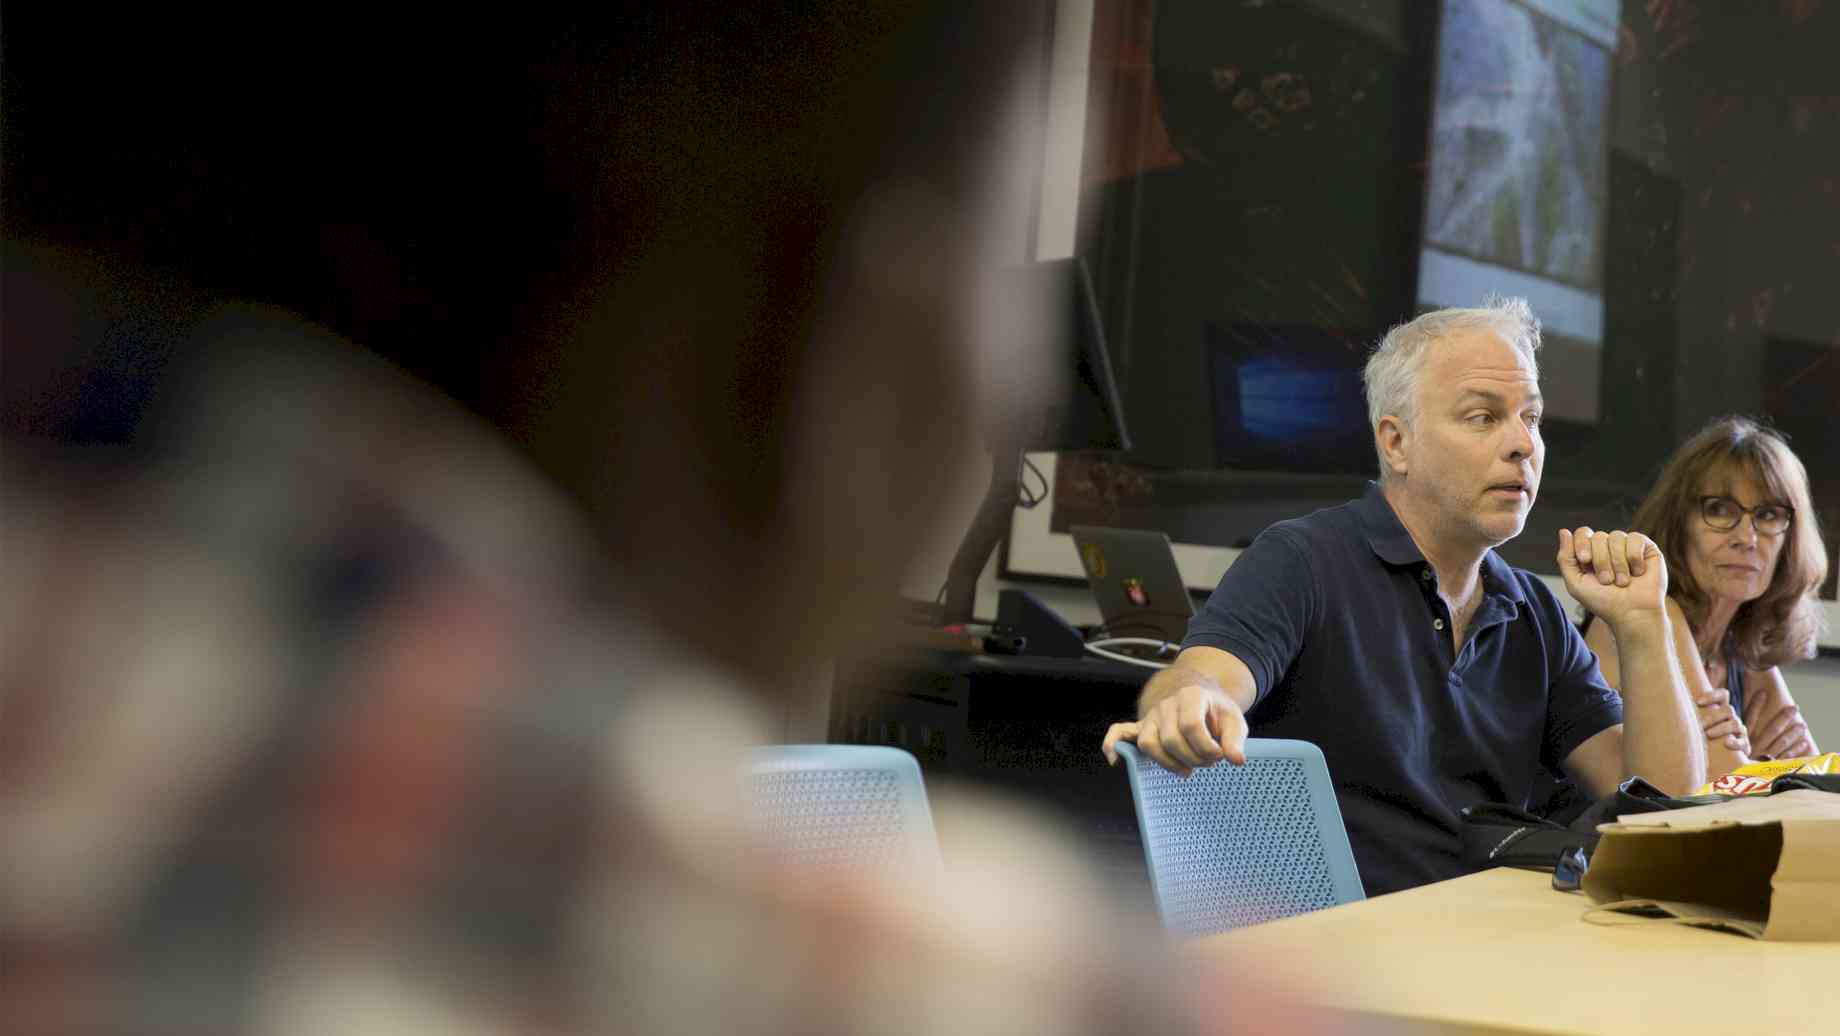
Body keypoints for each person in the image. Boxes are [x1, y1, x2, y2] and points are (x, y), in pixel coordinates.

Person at [1100, 297, 1705, 895]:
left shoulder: (1533, 609)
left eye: (1532, 417)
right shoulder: (1303, 560)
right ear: (1396, 443)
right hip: (1337, 948)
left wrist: (1643, 626)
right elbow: (1201, 680)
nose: (1523, 443)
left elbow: (1664, 811)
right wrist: (1190, 704)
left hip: (1490, 938)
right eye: (1483, 417)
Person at [1583, 416, 1826, 767]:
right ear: (1677, 523)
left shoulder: (1740, 646)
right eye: (1719, 510)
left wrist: (1760, 767)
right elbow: (1712, 790)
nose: (1747, 538)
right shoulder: (1648, 612)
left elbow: (1817, 787)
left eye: (1769, 514)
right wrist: (1766, 767)